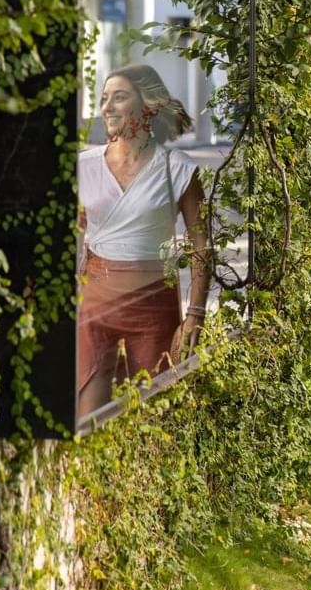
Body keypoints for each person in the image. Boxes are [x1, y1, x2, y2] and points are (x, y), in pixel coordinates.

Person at [76, 63, 211, 420]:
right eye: (104, 98)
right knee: (87, 417)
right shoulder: (83, 167)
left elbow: (202, 246)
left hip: (153, 307)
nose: (107, 107)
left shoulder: (178, 169)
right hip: (94, 306)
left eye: (119, 97)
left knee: (150, 418)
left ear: (148, 106)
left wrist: (195, 314)